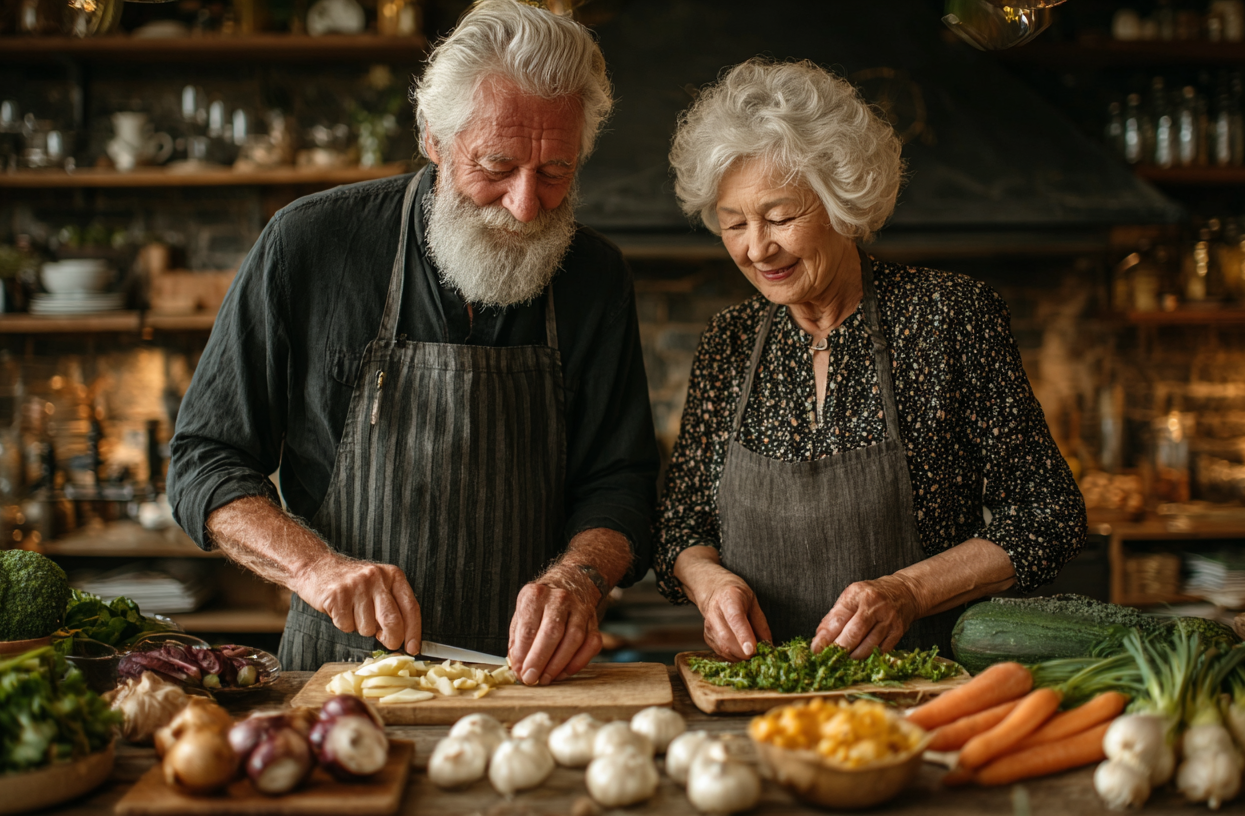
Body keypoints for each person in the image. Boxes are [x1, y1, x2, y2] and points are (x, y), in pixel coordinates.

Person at [167, 0, 658, 683]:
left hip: (524, 681)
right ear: (433, 136)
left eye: (555, 172)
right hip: (341, 679)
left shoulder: (595, 276)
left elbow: (621, 482)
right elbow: (204, 461)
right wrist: (315, 568)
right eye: (496, 166)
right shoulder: (309, 245)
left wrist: (579, 578)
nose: (525, 205)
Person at [654, 59, 1086, 662]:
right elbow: (682, 524)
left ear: (842, 202)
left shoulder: (949, 317)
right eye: (734, 225)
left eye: (780, 217)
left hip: (919, 691)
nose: (758, 248)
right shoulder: (728, 342)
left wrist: (908, 590)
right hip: (763, 692)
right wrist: (709, 582)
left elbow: (1048, 516)